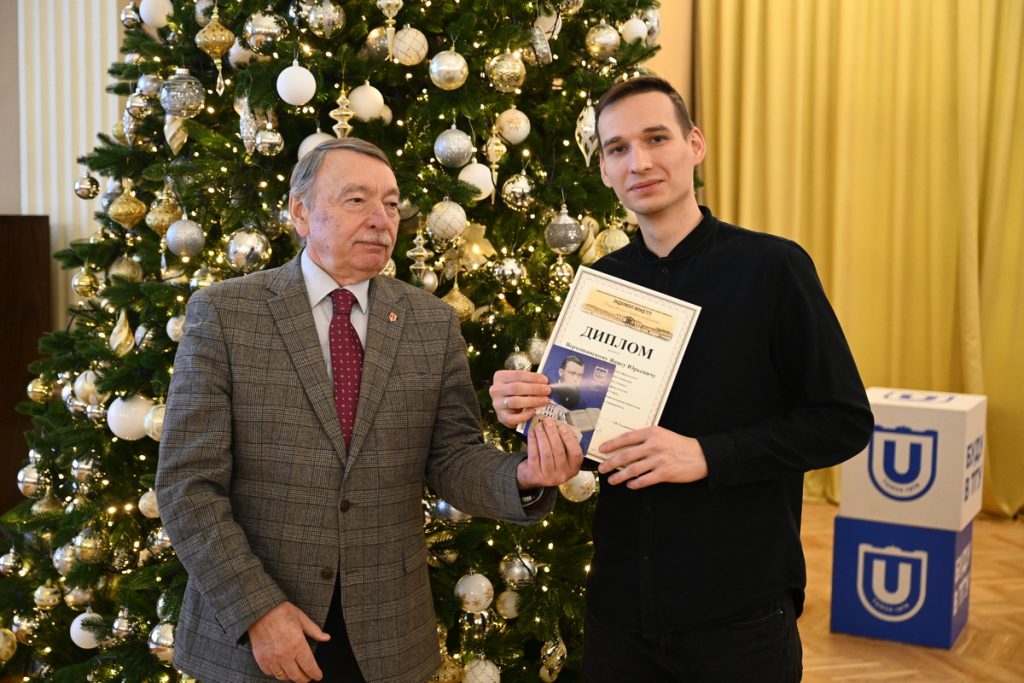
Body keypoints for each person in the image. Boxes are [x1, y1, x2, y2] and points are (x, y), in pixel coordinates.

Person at [156, 137, 583, 683]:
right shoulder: (225, 312)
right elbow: (188, 486)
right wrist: (257, 610)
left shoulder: (432, 323)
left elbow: (452, 458)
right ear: (301, 212)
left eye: (391, 203)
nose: (381, 218)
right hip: (254, 636)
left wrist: (524, 477)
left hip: (387, 636)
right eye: (357, 200)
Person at [489, 77, 873, 682]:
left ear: (695, 145)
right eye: (617, 148)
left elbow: (843, 421)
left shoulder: (773, 268)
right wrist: (530, 413)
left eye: (656, 138)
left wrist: (707, 455)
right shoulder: (601, 285)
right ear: (605, 171)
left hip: (739, 615)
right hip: (619, 613)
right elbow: (581, 432)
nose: (638, 162)